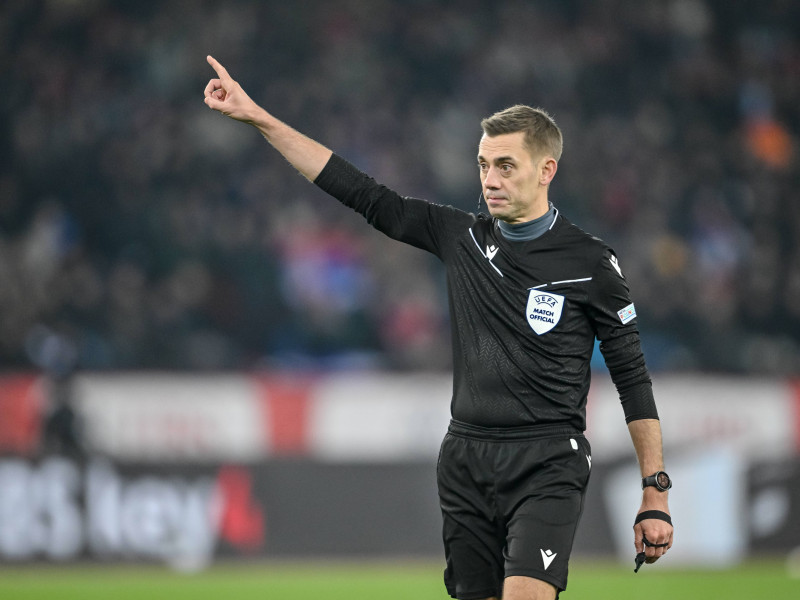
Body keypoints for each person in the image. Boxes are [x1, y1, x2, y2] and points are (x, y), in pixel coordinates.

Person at [203, 55, 673, 600]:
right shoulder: (462, 237)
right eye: (482, 165)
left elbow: (633, 379)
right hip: (466, 458)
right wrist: (260, 117)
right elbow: (360, 191)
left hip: (548, 460)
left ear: (546, 170)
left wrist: (654, 490)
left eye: (505, 165)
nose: (489, 181)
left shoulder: (590, 263)